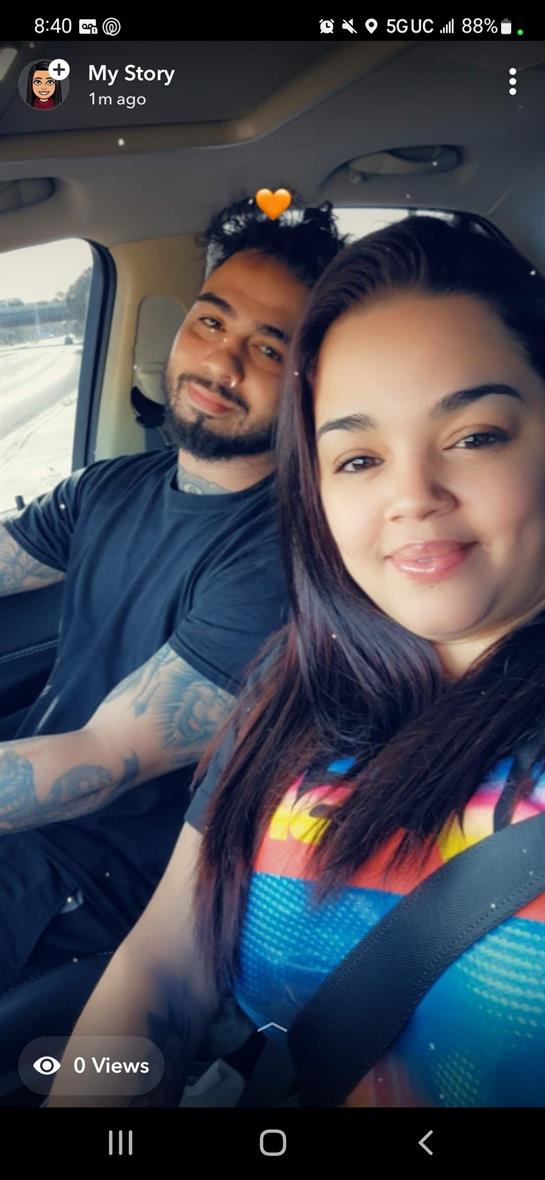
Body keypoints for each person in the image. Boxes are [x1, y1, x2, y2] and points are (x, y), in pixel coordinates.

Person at [48, 215, 545, 1110]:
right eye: (357, 457)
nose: (410, 498)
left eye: (474, 436)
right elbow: (165, 963)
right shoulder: (292, 688)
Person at [0, 194, 346, 993]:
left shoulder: (280, 559)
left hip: (92, 877)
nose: (221, 366)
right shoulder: (113, 487)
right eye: (211, 323)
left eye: (269, 348)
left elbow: (98, 765)